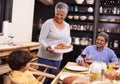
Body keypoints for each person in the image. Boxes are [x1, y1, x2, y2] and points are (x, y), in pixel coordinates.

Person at [37, 2, 71, 84]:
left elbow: (68, 38)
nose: (59, 16)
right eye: (57, 14)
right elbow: (41, 39)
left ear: (65, 15)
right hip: (45, 57)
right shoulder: (48, 23)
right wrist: (47, 47)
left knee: (53, 80)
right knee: (44, 81)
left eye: (61, 15)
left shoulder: (67, 26)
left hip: (57, 58)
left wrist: (68, 45)